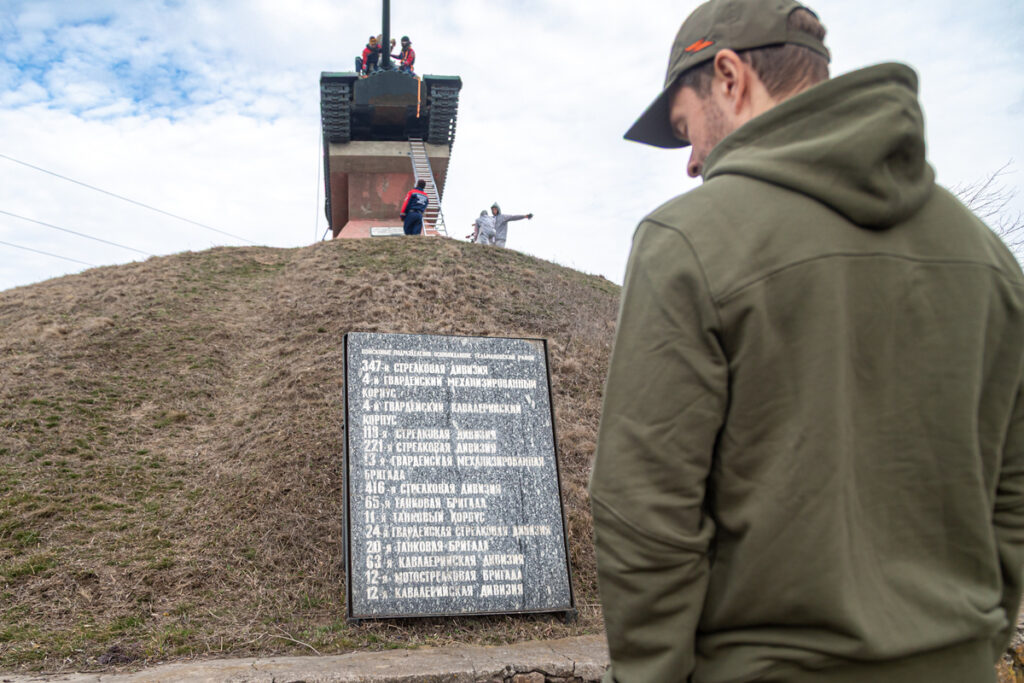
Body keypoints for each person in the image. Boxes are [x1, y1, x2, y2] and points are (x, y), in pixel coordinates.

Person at [589, 1, 1024, 682]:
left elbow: (645, 512)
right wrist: (975, 635)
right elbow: (1012, 489)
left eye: (686, 128)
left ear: (728, 77)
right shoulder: (990, 258)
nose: (693, 162)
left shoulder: (686, 243)